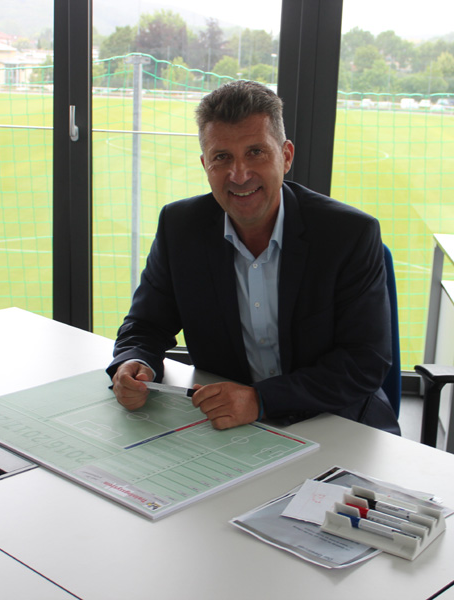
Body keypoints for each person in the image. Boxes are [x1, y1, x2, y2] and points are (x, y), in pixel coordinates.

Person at [107, 80, 400, 435]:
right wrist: (135, 362)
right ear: (205, 164)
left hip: (335, 420)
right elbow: (146, 325)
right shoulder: (180, 227)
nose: (239, 174)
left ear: (286, 156)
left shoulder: (349, 234)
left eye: (256, 152)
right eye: (222, 157)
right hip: (229, 427)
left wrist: (261, 400)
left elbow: (364, 363)